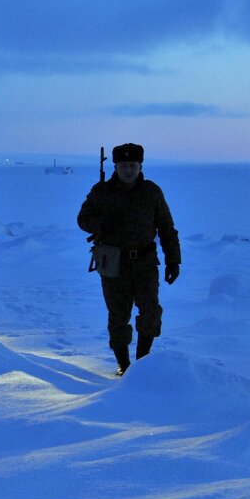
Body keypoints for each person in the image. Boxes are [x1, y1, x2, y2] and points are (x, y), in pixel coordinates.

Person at [77, 143, 181, 375]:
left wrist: (173, 259)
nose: (128, 170)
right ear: (115, 166)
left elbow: (166, 228)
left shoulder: (151, 192)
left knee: (150, 312)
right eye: (123, 165)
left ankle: (142, 364)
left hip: (145, 262)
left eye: (132, 165)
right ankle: (123, 366)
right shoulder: (102, 192)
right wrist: (102, 224)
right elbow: (83, 219)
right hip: (113, 263)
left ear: (140, 166)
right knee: (118, 316)